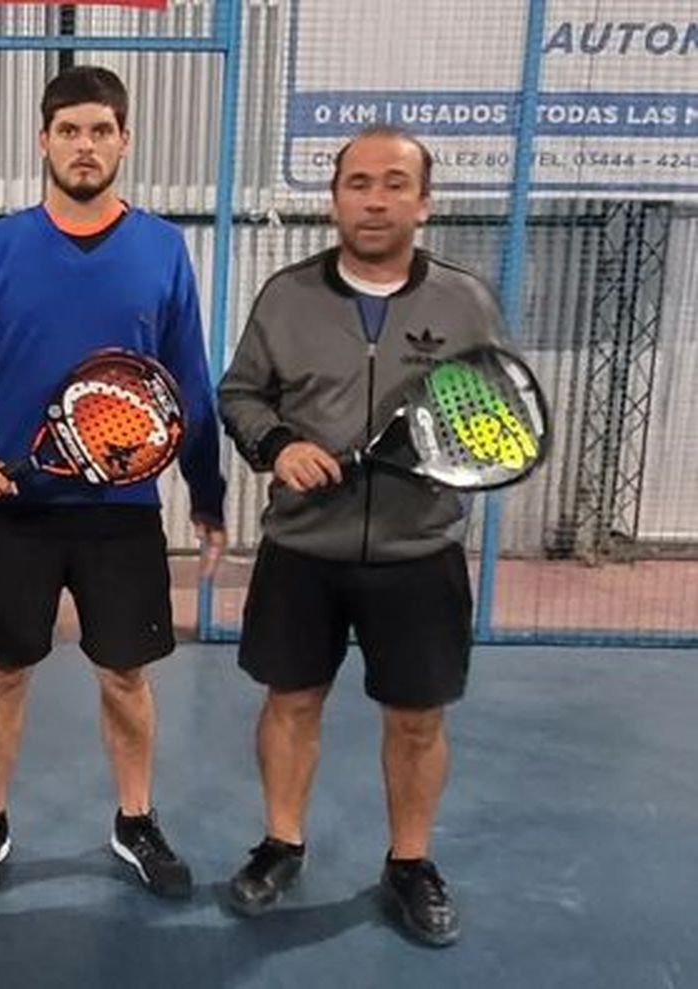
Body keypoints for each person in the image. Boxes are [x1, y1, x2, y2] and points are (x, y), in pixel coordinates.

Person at [0, 66, 226, 902]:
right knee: (5, 672)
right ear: (44, 140)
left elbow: (189, 383)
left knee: (126, 675)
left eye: (101, 131)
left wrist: (207, 491)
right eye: (69, 130)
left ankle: (134, 819)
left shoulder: (161, 248)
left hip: (122, 512)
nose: (85, 146)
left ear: (124, 140)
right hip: (18, 505)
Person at [217, 124, 507, 947]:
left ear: (424, 201)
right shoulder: (285, 296)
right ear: (335, 197)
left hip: (421, 553)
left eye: (393, 184)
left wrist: (454, 449)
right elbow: (241, 395)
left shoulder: (465, 302)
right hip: (304, 550)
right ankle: (281, 842)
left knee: (417, 718)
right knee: (292, 699)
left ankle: (409, 862)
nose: (374, 200)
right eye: (358, 183)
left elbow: (495, 413)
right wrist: (280, 446)